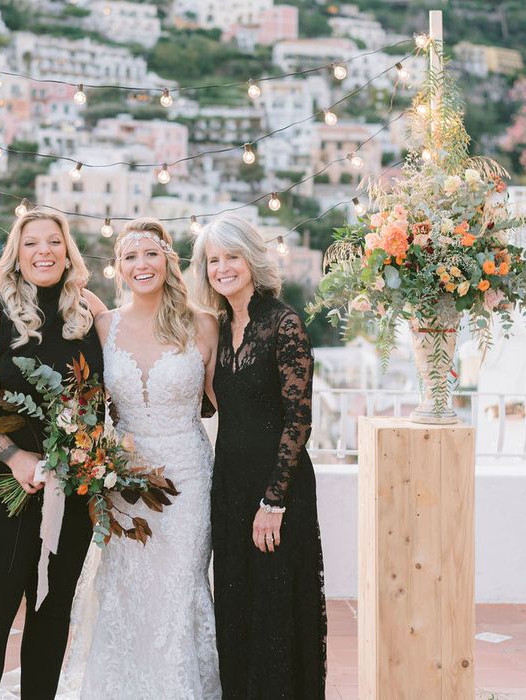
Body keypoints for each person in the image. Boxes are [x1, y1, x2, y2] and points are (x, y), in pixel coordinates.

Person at [57, 218, 221, 699]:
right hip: (123, 481)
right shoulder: (103, 325)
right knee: (125, 587)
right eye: (130, 257)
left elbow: (225, 406)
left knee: (177, 588)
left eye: (150, 253)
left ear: (169, 260)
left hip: (188, 477)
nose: (141, 264)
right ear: (119, 269)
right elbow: (82, 400)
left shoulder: (204, 324)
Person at [0, 209, 106, 700]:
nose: (44, 251)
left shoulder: (89, 310)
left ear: (67, 252)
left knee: (53, 612)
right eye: (32, 242)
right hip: (4, 487)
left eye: (54, 242)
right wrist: (13, 456)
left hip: (73, 489)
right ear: (16, 255)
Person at [191, 214, 327, 699]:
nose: (223, 267)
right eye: (213, 260)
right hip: (229, 484)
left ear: (252, 258)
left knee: (275, 609)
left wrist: (274, 502)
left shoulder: (283, 323)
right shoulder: (221, 326)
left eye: (232, 256)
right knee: (236, 606)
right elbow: (208, 403)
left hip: (276, 487)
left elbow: (299, 420)